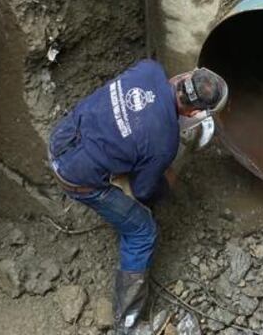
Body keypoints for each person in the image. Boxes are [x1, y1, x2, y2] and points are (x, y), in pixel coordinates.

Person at [48, 61, 229, 332]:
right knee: (142, 231)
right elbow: (143, 191)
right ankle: (127, 322)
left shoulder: (149, 70)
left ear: (185, 76)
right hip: (75, 176)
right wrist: (167, 179)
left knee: (132, 152)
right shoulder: (164, 142)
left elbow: (140, 115)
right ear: (194, 111)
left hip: (62, 137)